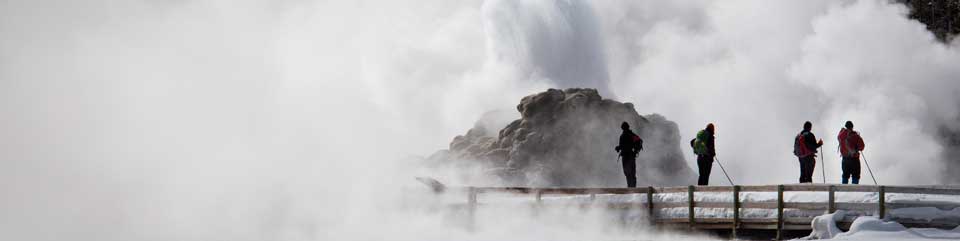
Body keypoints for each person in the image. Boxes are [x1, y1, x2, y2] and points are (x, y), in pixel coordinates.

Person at [615, 122, 643, 187]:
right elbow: (624, 146)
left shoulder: (625, 135)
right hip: (630, 156)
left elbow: (624, 146)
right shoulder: (632, 135)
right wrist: (619, 148)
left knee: (628, 173)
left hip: (627, 156)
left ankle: (631, 188)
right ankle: (632, 188)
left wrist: (618, 148)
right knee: (631, 173)